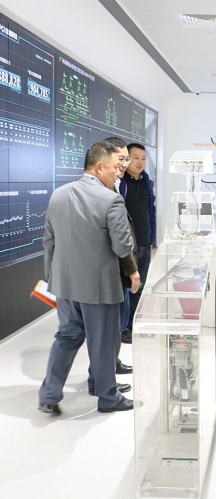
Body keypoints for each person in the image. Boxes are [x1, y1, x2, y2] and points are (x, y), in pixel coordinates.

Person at [38, 140, 135, 414]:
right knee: (103, 342)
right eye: (116, 166)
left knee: (67, 337)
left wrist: (53, 278)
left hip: (65, 284)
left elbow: (49, 241)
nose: (119, 172)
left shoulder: (58, 194)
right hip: (99, 286)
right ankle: (108, 397)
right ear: (100, 166)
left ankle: (48, 395)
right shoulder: (111, 199)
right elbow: (122, 246)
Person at [86, 137, 140, 396]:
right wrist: (131, 269)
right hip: (110, 271)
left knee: (115, 326)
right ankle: (100, 380)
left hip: (117, 271)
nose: (124, 164)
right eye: (121, 159)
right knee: (106, 331)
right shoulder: (102, 191)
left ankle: (107, 372)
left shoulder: (112, 186)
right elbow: (117, 238)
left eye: (126, 159)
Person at [120, 143, 156, 345]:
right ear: (127, 159)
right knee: (126, 287)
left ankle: (134, 323)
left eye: (143, 158)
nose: (140, 162)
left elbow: (151, 212)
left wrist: (151, 239)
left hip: (144, 243)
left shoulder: (146, 182)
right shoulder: (120, 183)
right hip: (127, 246)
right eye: (136, 157)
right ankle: (123, 328)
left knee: (139, 287)